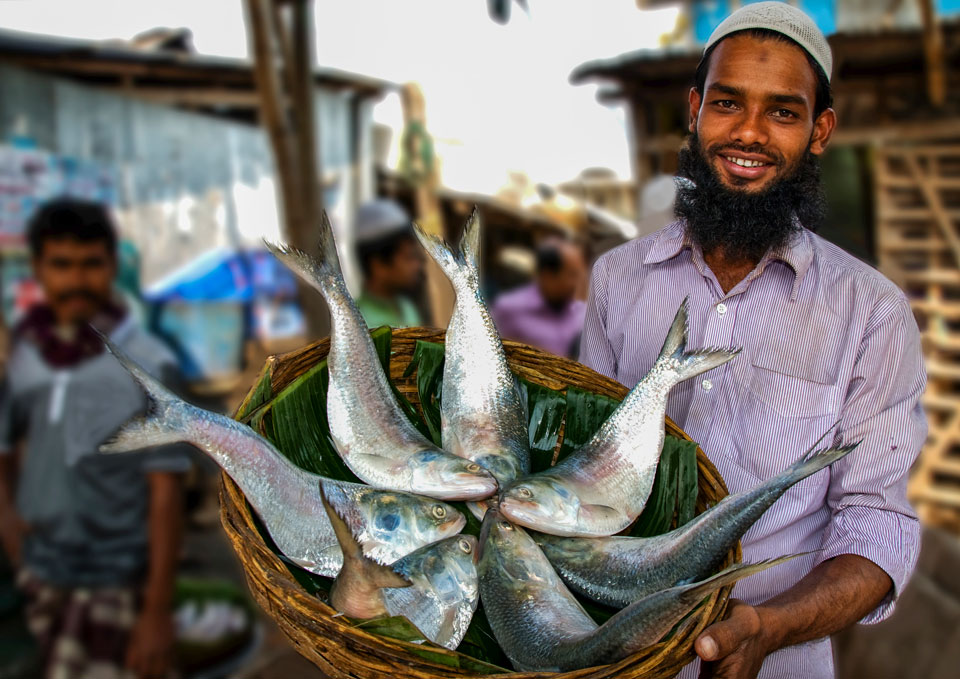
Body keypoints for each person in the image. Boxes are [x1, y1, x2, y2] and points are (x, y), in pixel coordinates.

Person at [579, 4, 924, 678]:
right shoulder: (618, 280)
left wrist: (766, 627)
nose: (749, 134)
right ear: (694, 109)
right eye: (728, 104)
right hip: (611, 653)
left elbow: (877, 526)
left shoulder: (871, 313)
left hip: (778, 660)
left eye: (783, 112)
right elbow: (587, 461)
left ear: (820, 129)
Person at [0, 198, 190, 679]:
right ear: (39, 269)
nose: (76, 281)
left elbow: (165, 492)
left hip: (118, 581)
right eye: (61, 265)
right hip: (43, 575)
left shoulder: (149, 363)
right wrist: (11, 528)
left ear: (111, 266)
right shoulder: (26, 353)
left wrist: (156, 609)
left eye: (90, 265)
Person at [491, 237, 587, 358]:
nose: (576, 283)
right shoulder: (509, 309)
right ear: (547, 276)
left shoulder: (582, 313)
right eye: (571, 275)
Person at [354, 200, 425, 328]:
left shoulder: (407, 309)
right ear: (377, 265)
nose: (417, 266)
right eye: (409, 258)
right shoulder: (356, 322)